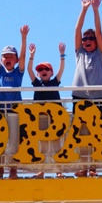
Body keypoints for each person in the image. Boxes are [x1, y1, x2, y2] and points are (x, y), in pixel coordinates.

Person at [71, 0, 102, 177]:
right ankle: (83, 166)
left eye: (90, 38)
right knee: (80, 133)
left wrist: (95, 10)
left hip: (97, 97)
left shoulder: (99, 55)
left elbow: (99, 32)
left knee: (95, 132)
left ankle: (93, 167)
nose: (87, 41)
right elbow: (77, 30)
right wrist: (83, 9)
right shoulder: (80, 53)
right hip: (79, 96)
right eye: (85, 39)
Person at [0, 24, 28, 179]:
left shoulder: (18, 72)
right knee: (0, 139)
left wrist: (23, 38)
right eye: (5, 56)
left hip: (16, 110)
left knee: (15, 140)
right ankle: (0, 169)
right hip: (0, 109)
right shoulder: (0, 71)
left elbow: (23, 56)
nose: (8, 58)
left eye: (11, 56)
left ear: (16, 60)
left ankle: (13, 170)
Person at [26, 42, 66, 178]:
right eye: (41, 69)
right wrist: (31, 56)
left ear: (51, 72)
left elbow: (61, 70)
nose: (43, 71)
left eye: (47, 69)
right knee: (42, 146)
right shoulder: (37, 83)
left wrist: (62, 55)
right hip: (41, 118)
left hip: (55, 119)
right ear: (38, 74)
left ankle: (58, 171)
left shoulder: (54, 82)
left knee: (56, 145)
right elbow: (29, 71)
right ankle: (41, 171)